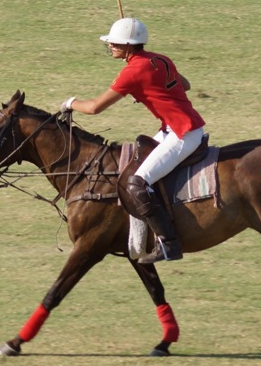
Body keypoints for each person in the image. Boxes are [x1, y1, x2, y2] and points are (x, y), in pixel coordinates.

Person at [60, 17, 205, 264]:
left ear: (129, 45)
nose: (111, 46)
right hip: (177, 128)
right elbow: (185, 85)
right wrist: (148, 90)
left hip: (182, 134)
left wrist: (70, 102)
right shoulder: (159, 59)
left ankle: (169, 244)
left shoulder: (133, 71)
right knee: (132, 172)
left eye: (116, 43)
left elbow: (95, 107)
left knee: (138, 182)